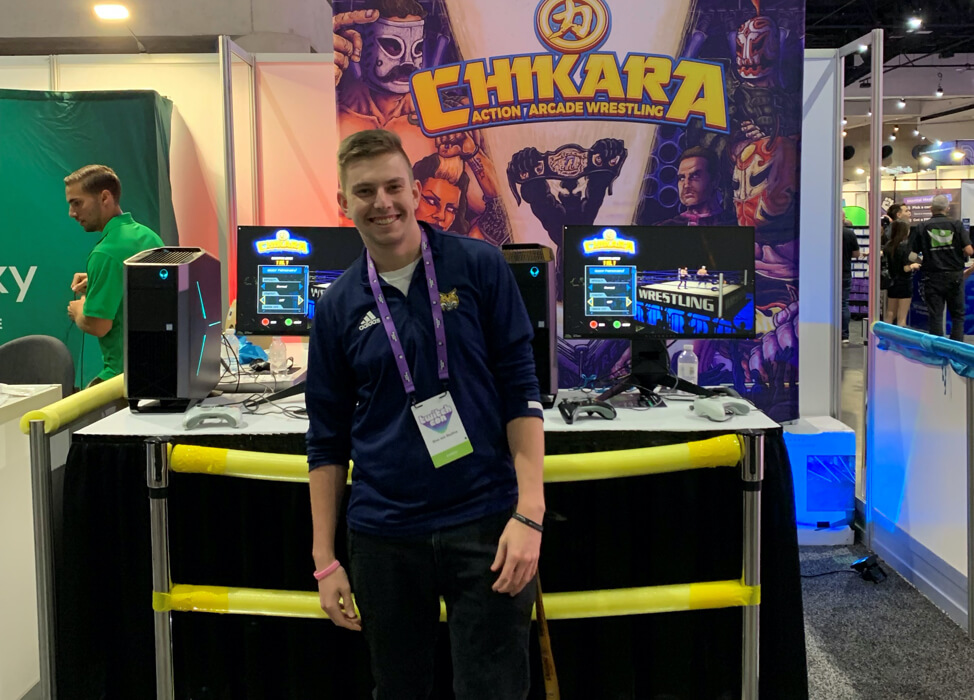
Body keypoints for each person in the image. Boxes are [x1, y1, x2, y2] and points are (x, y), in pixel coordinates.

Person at [306, 128, 545, 699]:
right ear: (343, 203)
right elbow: (326, 440)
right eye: (364, 191)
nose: (382, 202)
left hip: (486, 520)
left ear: (415, 191)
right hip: (384, 533)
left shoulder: (480, 266)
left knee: (493, 690)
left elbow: (521, 390)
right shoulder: (338, 305)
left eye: (393, 186)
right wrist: (324, 560)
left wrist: (530, 513)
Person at [65, 165, 163, 385]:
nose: (72, 213)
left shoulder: (105, 253)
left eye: (77, 203)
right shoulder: (148, 236)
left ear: (104, 197)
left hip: (122, 377)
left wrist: (79, 310)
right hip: (157, 368)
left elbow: (98, 325)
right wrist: (97, 280)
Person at [913, 194, 973, 340]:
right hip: (954, 276)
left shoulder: (922, 226)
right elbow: (969, 251)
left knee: (935, 315)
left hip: (932, 276)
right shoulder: (957, 225)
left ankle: (937, 350)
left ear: (930, 208)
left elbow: (911, 255)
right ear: (947, 208)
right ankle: (956, 349)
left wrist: (923, 261)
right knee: (957, 315)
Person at [657, 146, 736, 227]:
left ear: (715, 180)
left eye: (695, 176)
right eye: (682, 178)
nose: (686, 185)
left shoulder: (734, 224)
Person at [884, 220, 919, 326]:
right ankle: (899, 341)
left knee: (890, 313)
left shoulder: (888, 245)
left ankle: (885, 338)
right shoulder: (906, 246)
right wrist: (913, 265)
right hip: (904, 283)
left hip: (892, 282)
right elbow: (905, 268)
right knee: (902, 316)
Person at [841, 216, 861, 344]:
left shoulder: (825, 231)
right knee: (843, 305)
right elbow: (856, 254)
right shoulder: (849, 233)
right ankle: (844, 335)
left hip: (827, 274)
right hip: (845, 273)